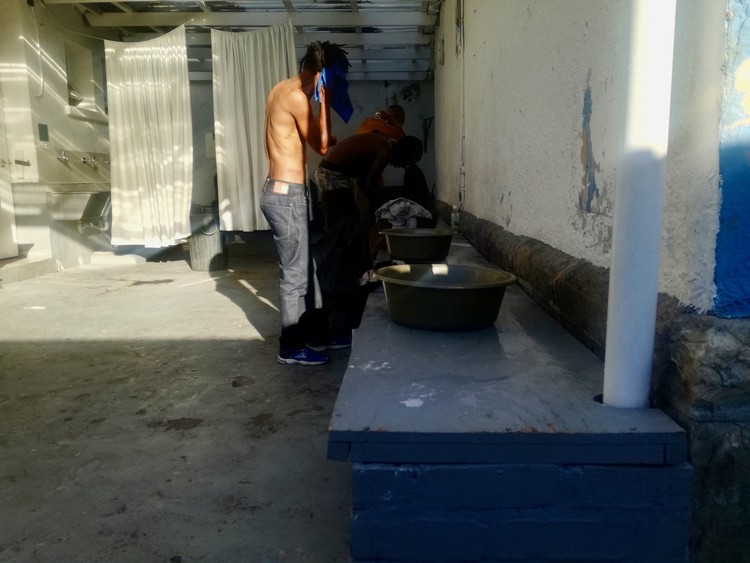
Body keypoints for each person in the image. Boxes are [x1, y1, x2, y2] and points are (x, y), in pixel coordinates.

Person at [260, 41, 350, 366]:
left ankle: (314, 334)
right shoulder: (299, 98)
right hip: (287, 196)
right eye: (333, 81)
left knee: (308, 269)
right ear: (322, 75)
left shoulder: (280, 89)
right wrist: (324, 101)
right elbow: (323, 146)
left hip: (289, 191)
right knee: (295, 275)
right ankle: (291, 345)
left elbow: (300, 137)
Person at [311, 134, 424, 345]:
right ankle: (336, 310)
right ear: (404, 152)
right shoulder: (386, 149)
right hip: (332, 176)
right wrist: (385, 210)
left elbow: (365, 183)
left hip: (334, 175)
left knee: (349, 231)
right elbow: (368, 187)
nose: (400, 167)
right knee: (342, 237)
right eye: (405, 162)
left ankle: (342, 292)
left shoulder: (385, 144)